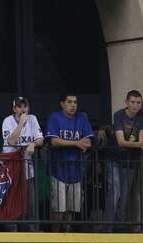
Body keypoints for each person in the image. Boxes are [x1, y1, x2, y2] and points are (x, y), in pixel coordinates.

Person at [104, 90, 143, 232]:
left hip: (131, 160)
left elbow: (142, 138)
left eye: (138, 103)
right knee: (115, 192)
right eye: (132, 102)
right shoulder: (119, 115)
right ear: (126, 103)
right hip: (114, 158)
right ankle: (108, 229)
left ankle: (119, 229)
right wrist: (141, 145)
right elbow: (121, 141)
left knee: (124, 196)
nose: (136, 105)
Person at [45, 92, 94, 232]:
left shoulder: (82, 118)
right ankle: (55, 236)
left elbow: (89, 142)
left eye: (75, 102)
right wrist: (77, 143)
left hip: (76, 170)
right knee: (58, 208)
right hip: (58, 169)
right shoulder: (55, 117)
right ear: (62, 104)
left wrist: (75, 143)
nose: (73, 105)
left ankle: (66, 232)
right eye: (69, 102)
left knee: (71, 208)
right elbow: (54, 141)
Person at [1, 96, 44, 231]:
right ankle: (12, 236)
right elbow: (12, 141)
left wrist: (33, 143)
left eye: (25, 106)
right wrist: (20, 123)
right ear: (14, 109)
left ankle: (31, 235)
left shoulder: (33, 119)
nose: (22, 109)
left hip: (26, 169)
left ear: (28, 108)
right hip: (10, 170)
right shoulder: (7, 121)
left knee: (30, 205)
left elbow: (40, 139)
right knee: (11, 204)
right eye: (19, 106)